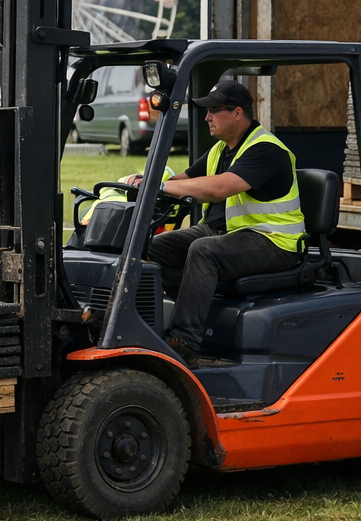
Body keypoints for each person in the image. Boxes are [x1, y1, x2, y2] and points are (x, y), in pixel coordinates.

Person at [127, 78, 304, 367]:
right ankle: (193, 318)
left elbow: (221, 187)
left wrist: (161, 187)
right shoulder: (221, 149)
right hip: (229, 232)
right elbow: (184, 180)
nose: (207, 117)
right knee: (155, 247)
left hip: (274, 241)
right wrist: (146, 182)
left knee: (203, 250)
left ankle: (183, 342)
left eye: (213, 110)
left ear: (237, 113)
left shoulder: (266, 149)